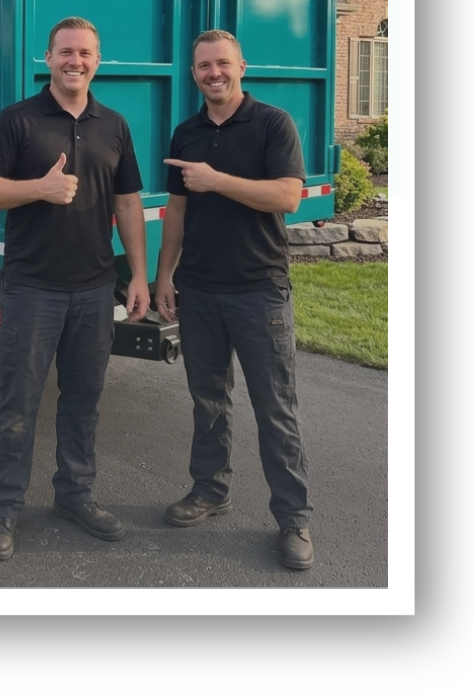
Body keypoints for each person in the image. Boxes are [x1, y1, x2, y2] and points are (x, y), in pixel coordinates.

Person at [0, 17, 150, 561]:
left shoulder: (113, 125)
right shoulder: (17, 120)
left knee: (84, 401)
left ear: (99, 60)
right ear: (47, 58)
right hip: (31, 289)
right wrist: (40, 188)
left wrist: (137, 274)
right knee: (17, 403)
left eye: (86, 53)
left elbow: (127, 203)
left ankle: (75, 495)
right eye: (66, 52)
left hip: (95, 290)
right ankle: (2, 510)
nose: (76, 61)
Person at [154, 29, 313, 570]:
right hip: (198, 291)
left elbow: (288, 196)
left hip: (258, 291)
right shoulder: (186, 133)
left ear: (242, 66)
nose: (213, 73)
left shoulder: (272, 123)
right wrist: (164, 277)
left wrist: (217, 180)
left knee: (276, 410)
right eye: (203, 66)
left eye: (222, 63)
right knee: (208, 401)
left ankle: (293, 520)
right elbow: (176, 212)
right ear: (193, 73)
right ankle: (209, 490)